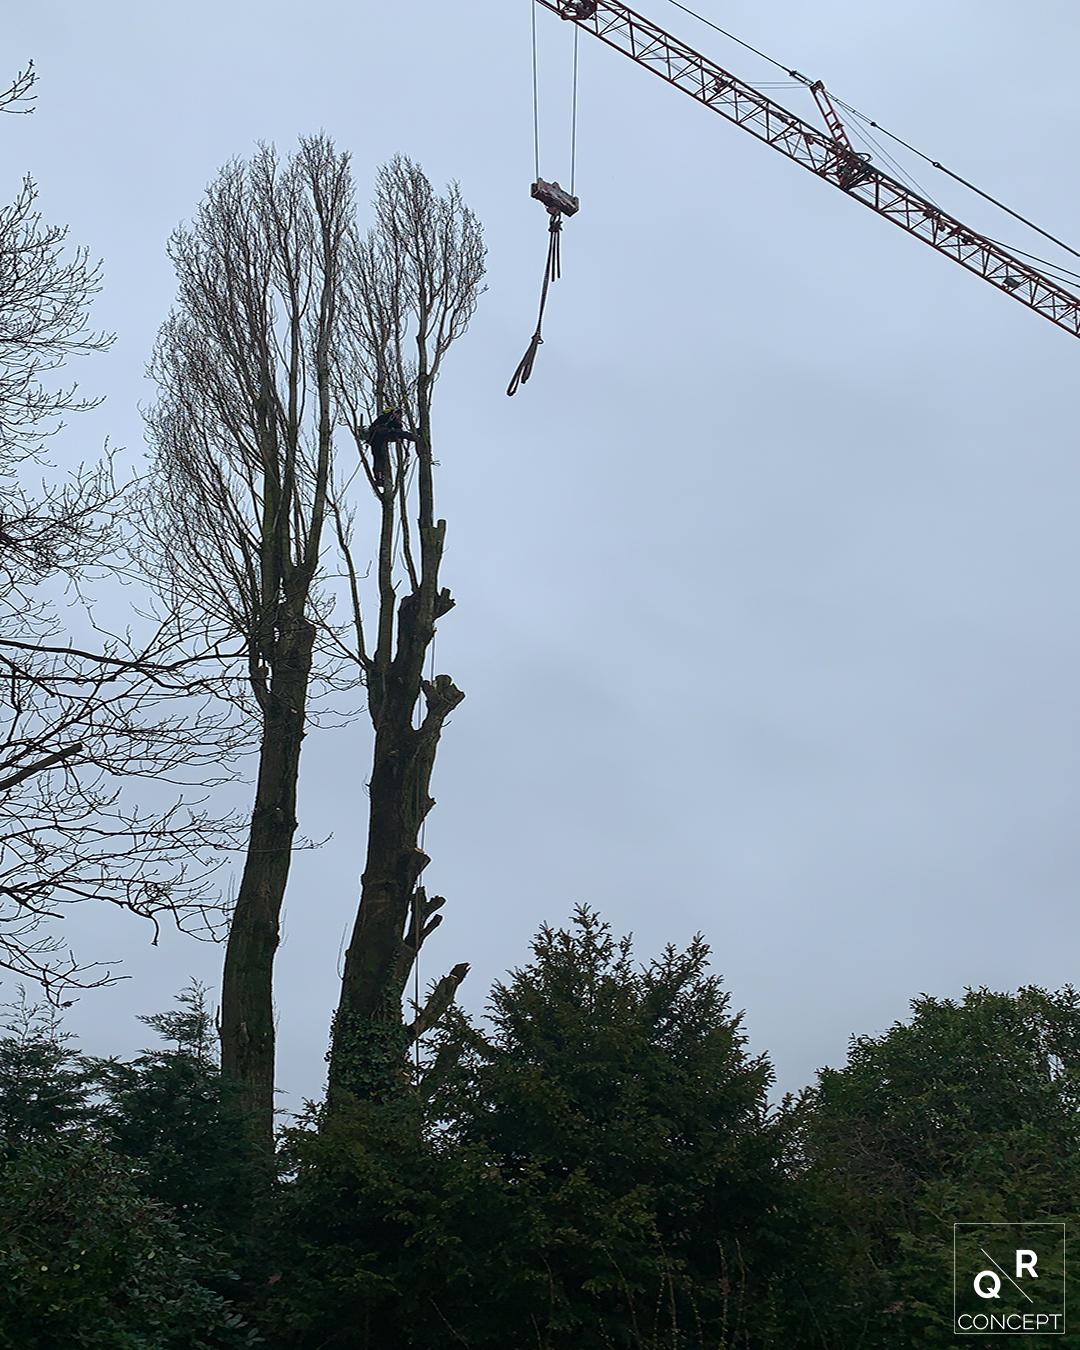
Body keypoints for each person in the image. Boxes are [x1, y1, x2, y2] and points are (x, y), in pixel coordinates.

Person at [365, 406, 415, 487]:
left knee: (378, 457)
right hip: (378, 435)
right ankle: (414, 437)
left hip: (377, 438)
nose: (399, 417)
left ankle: (379, 478)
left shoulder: (388, 418)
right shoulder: (388, 417)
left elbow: (397, 427)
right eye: (398, 415)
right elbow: (397, 429)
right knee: (378, 457)